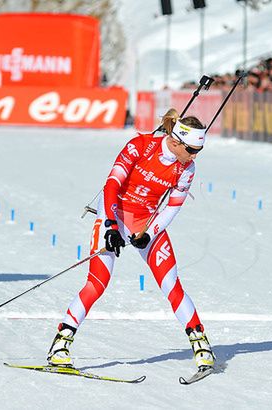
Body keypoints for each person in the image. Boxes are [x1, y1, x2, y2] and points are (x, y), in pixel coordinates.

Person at [46, 109, 215, 373]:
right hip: (113, 214)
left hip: (146, 222)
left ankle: (201, 345)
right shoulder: (140, 146)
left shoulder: (187, 168)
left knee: (171, 283)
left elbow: (172, 206)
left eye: (198, 152)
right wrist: (111, 226)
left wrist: (149, 231)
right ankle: (60, 345)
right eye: (192, 150)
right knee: (97, 283)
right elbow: (112, 185)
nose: (194, 157)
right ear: (175, 141)